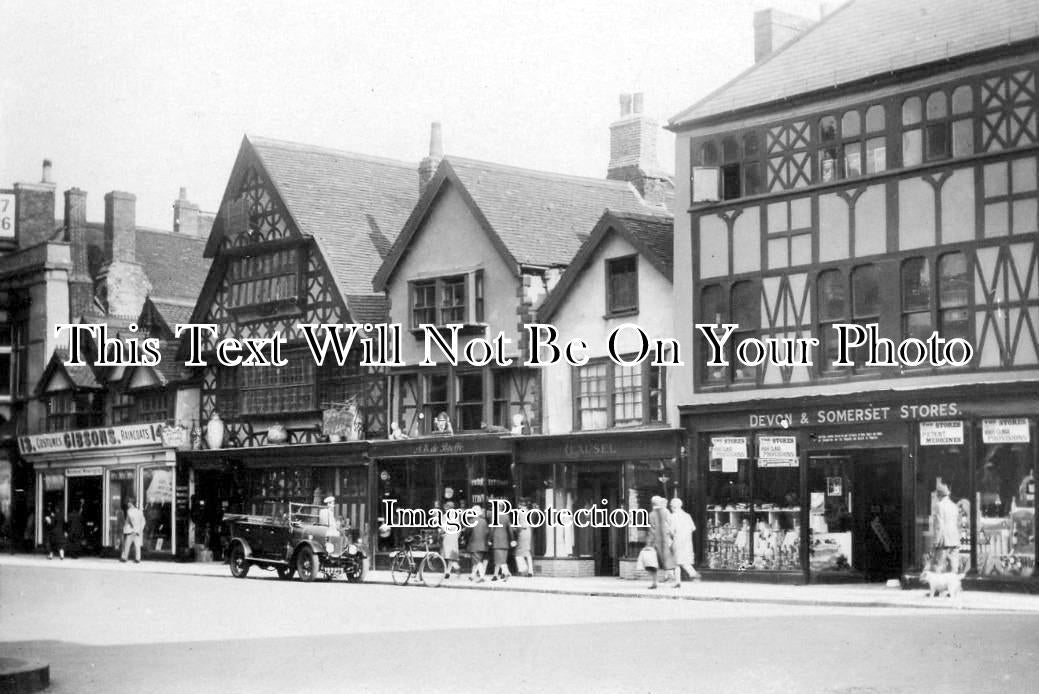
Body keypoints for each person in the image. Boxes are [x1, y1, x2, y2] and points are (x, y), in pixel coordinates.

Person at [669, 497, 700, 587]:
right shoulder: (687, 516)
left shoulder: (673, 516)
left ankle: (692, 574)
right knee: (683, 560)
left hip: (677, 540)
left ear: (673, 507)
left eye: (671, 506)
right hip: (687, 541)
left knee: (677, 561)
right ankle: (679, 581)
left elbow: (671, 530)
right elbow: (693, 528)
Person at [645, 496, 675, 589]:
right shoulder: (666, 512)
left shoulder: (651, 514)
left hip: (656, 541)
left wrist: (649, 543)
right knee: (668, 560)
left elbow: (652, 529)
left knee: (653, 562)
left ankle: (654, 583)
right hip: (667, 540)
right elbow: (671, 525)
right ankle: (673, 578)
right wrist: (672, 536)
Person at [933, 482, 960, 573]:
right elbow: (957, 523)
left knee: (940, 567)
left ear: (939, 494)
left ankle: (940, 586)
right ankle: (953, 585)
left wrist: (936, 541)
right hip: (954, 538)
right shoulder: (954, 506)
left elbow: (939, 525)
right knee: (954, 567)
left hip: (944, 540)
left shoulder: (939, 506)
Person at [490, 503, 514, 582]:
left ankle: (506, 573)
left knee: (499, 559)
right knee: (501, 559)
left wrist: (489, 539)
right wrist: (512, 539)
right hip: (505, 541)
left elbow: (492, 530)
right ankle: (495, 575)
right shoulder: (506, 516)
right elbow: (510, 529)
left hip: (497, 541)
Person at [466, 504, 490, 582]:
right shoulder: (484, 521)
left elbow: (467, 533)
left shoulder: (471, 521)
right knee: (476, 560)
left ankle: (482, 577)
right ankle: (472, 576)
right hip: (483, 544)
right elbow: (487, 532)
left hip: (474, 544)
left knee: (477, 561)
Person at [120, 497, 146, 564]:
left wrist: (133, 528)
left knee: (127, 545)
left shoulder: (129, 511)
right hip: (137, 531)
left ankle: (124, 558)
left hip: (130, 531)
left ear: (130, 503)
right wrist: (140, 529)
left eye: (128, 502)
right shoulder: (139, 511)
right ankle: (138, 559)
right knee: (137, 545)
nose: (127, 504)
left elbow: (131, 520)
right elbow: (143, 521)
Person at [440, 501, 461, 579]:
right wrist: (457, 536)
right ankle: (449, 570)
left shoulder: (444, 516)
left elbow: (443, 528)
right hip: (454, 537)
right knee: (452, 555)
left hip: (447, 537)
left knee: (446, 555)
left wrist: (441, 534)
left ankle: (447, 570)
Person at [513, 498, 534, 577]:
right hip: (528, 532)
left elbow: (522, 524)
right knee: (526, 552)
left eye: (519, 504)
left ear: (520, 504)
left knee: (518, 553)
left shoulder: (521, 512)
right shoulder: (528, 511)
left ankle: (523, 569)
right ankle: (530, 571)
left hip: (523, 533)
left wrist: (515, 528)